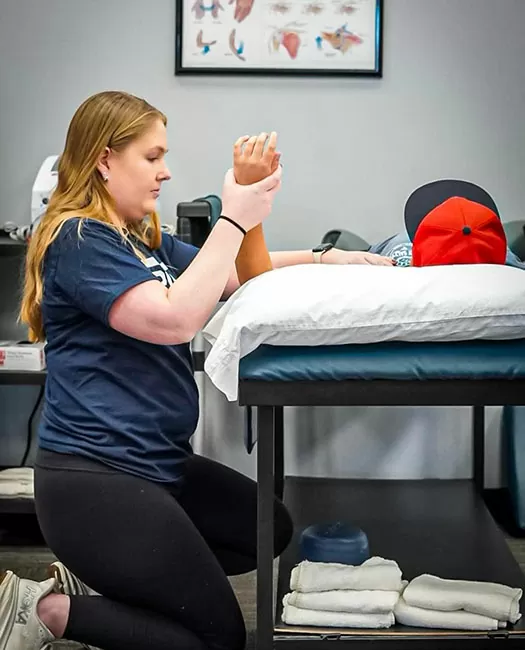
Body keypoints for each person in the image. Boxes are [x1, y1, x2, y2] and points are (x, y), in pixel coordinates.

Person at [0, 90, 392, 650]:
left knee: (266, 528)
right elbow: (174, 320)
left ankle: (113, 583)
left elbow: (235, 275)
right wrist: (233, 215)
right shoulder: (78, 239)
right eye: (152, 156)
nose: (165, 171)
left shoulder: (142, 240)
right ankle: (43, 610)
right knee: (218, 639)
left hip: (156, 464)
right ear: (105, 160)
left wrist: (323, 257)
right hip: (96, 480)